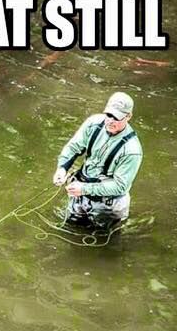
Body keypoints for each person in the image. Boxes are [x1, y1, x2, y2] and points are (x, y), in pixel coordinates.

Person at [52, 92, 143, 231]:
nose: (110, 121)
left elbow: (120, 186)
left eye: (116, 118)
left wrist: (83, 188)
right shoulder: (93, 123)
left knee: (106, 242)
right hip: (81, 194)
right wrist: (62, 168)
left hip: (109, 206)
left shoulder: (132, 150)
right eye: (108, 115)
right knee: (70, 229)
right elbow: (73, 147)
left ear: (128, 116)